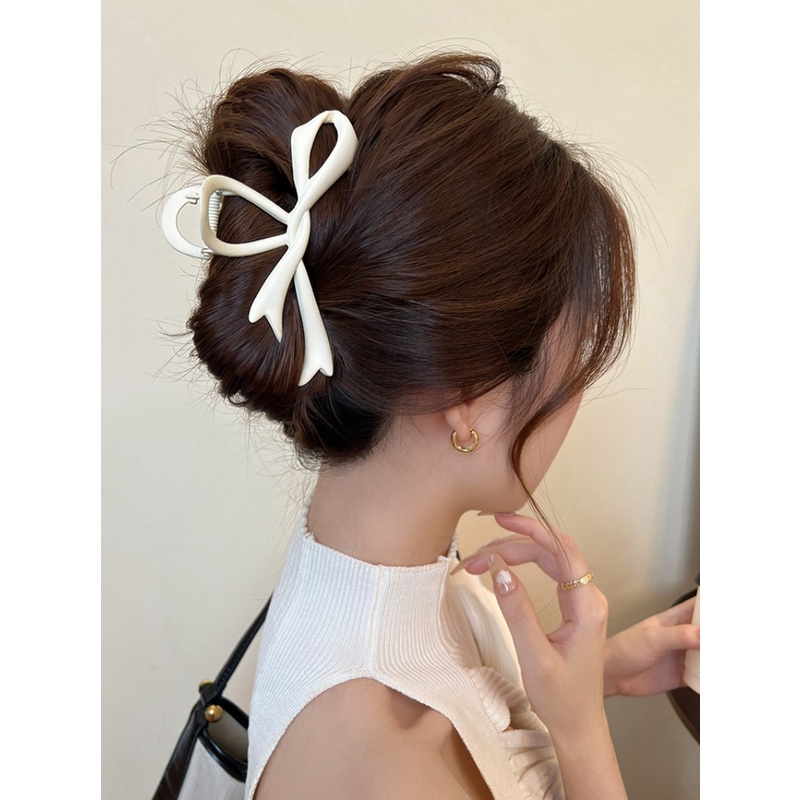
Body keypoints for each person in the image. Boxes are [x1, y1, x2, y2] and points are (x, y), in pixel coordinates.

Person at [161, 52, 699, 800]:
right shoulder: (379, 758)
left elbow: (456, 708)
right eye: (577, 365)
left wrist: (592, 676)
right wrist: (580, 733)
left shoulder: (374, 558)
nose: (577, 401)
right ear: (468, 395)